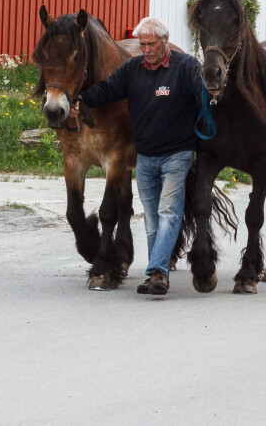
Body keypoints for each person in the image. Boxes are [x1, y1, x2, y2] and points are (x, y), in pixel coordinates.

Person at [74, 17, 203, 296]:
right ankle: (160, 269)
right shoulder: (133, 69)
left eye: (151, 43)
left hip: (177, 156)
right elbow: (106, 90)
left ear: (165, 41)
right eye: (142, 44)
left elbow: (206, 97)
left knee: (168, 212)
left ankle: (156, 272)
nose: (146, 49)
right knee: (152, 217)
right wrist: (80, 99)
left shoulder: (186, 67)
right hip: (145, 158)